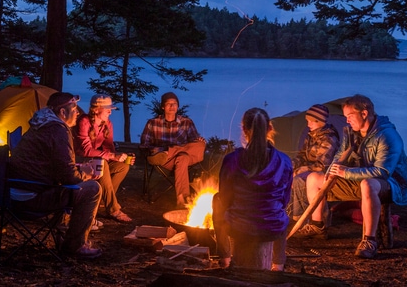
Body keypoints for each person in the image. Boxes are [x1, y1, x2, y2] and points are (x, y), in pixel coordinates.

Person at [298, 94, 407, 259]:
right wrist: (331, 171)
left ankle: (369, 240)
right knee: (314, 178)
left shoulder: (387, 136)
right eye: (346, 117)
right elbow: (339, 156)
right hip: (359, 178)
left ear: (364, 113)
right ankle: (318, 226)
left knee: (368, 184)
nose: (347, 121)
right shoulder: (351, 133)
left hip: (390, 184)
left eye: (350, 116)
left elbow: (382, 172)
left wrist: (346, 172)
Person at [8, 92, 103, 259]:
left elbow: (53, 164)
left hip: (17, 191)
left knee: (76, 186)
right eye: (74, 109)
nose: (78, 113)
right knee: (92, 189)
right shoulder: (57, 130)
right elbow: (69, 177)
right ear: (63, 113)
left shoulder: (41, 125)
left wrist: (77, 169)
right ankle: (75, 246)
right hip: (31, 198)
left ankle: (66, 234)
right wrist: (85, 173)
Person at [212, 107, 293, 271]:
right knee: (279, 209)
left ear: (243, 129)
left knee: (216, 200)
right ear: (269, 128)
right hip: (273, 228)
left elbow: (225, 198)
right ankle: (278, 265)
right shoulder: (284, 161)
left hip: (239, 228)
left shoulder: (232, 160)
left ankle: (225, 259)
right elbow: (284, 200)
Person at [73, 94, 134, 223]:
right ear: (95, 110)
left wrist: (120, 157)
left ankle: (102, 199)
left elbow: (109, 148)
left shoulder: (107, 124)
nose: (110, 111)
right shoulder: (84, 121)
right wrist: (110, 156)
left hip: (95, 159)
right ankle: (113, 209)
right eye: (107, 108)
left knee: (123, 166)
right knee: (102, 164)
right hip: (79, 160)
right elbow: (86, 150)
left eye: (110, 108)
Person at [140, 92, 206, 206]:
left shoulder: (187, 122)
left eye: (174, 104)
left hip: (171, 154)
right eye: (169, 104)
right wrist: (155, 150)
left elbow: (194, 144)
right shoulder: (153, 123)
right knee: (182, 158)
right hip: (164, 160)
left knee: (200, 145)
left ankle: (168, 151)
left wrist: (199, 141)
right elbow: (144, 145)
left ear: (178, 106)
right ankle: (183, 200)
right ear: (163, 107)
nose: (172, 106)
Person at [289, 104, 340, 225]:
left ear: (320, 121)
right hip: (309, 169)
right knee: (288, 175)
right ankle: (294, 215)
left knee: (298, 180)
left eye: (311, 122)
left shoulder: (329, 138)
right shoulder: (311, 135)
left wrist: (300, 170)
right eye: (307, 121)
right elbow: (302, 155)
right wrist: (291, 165)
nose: (308, 124)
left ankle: (303, 218)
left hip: (323, 173)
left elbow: (322, 165)